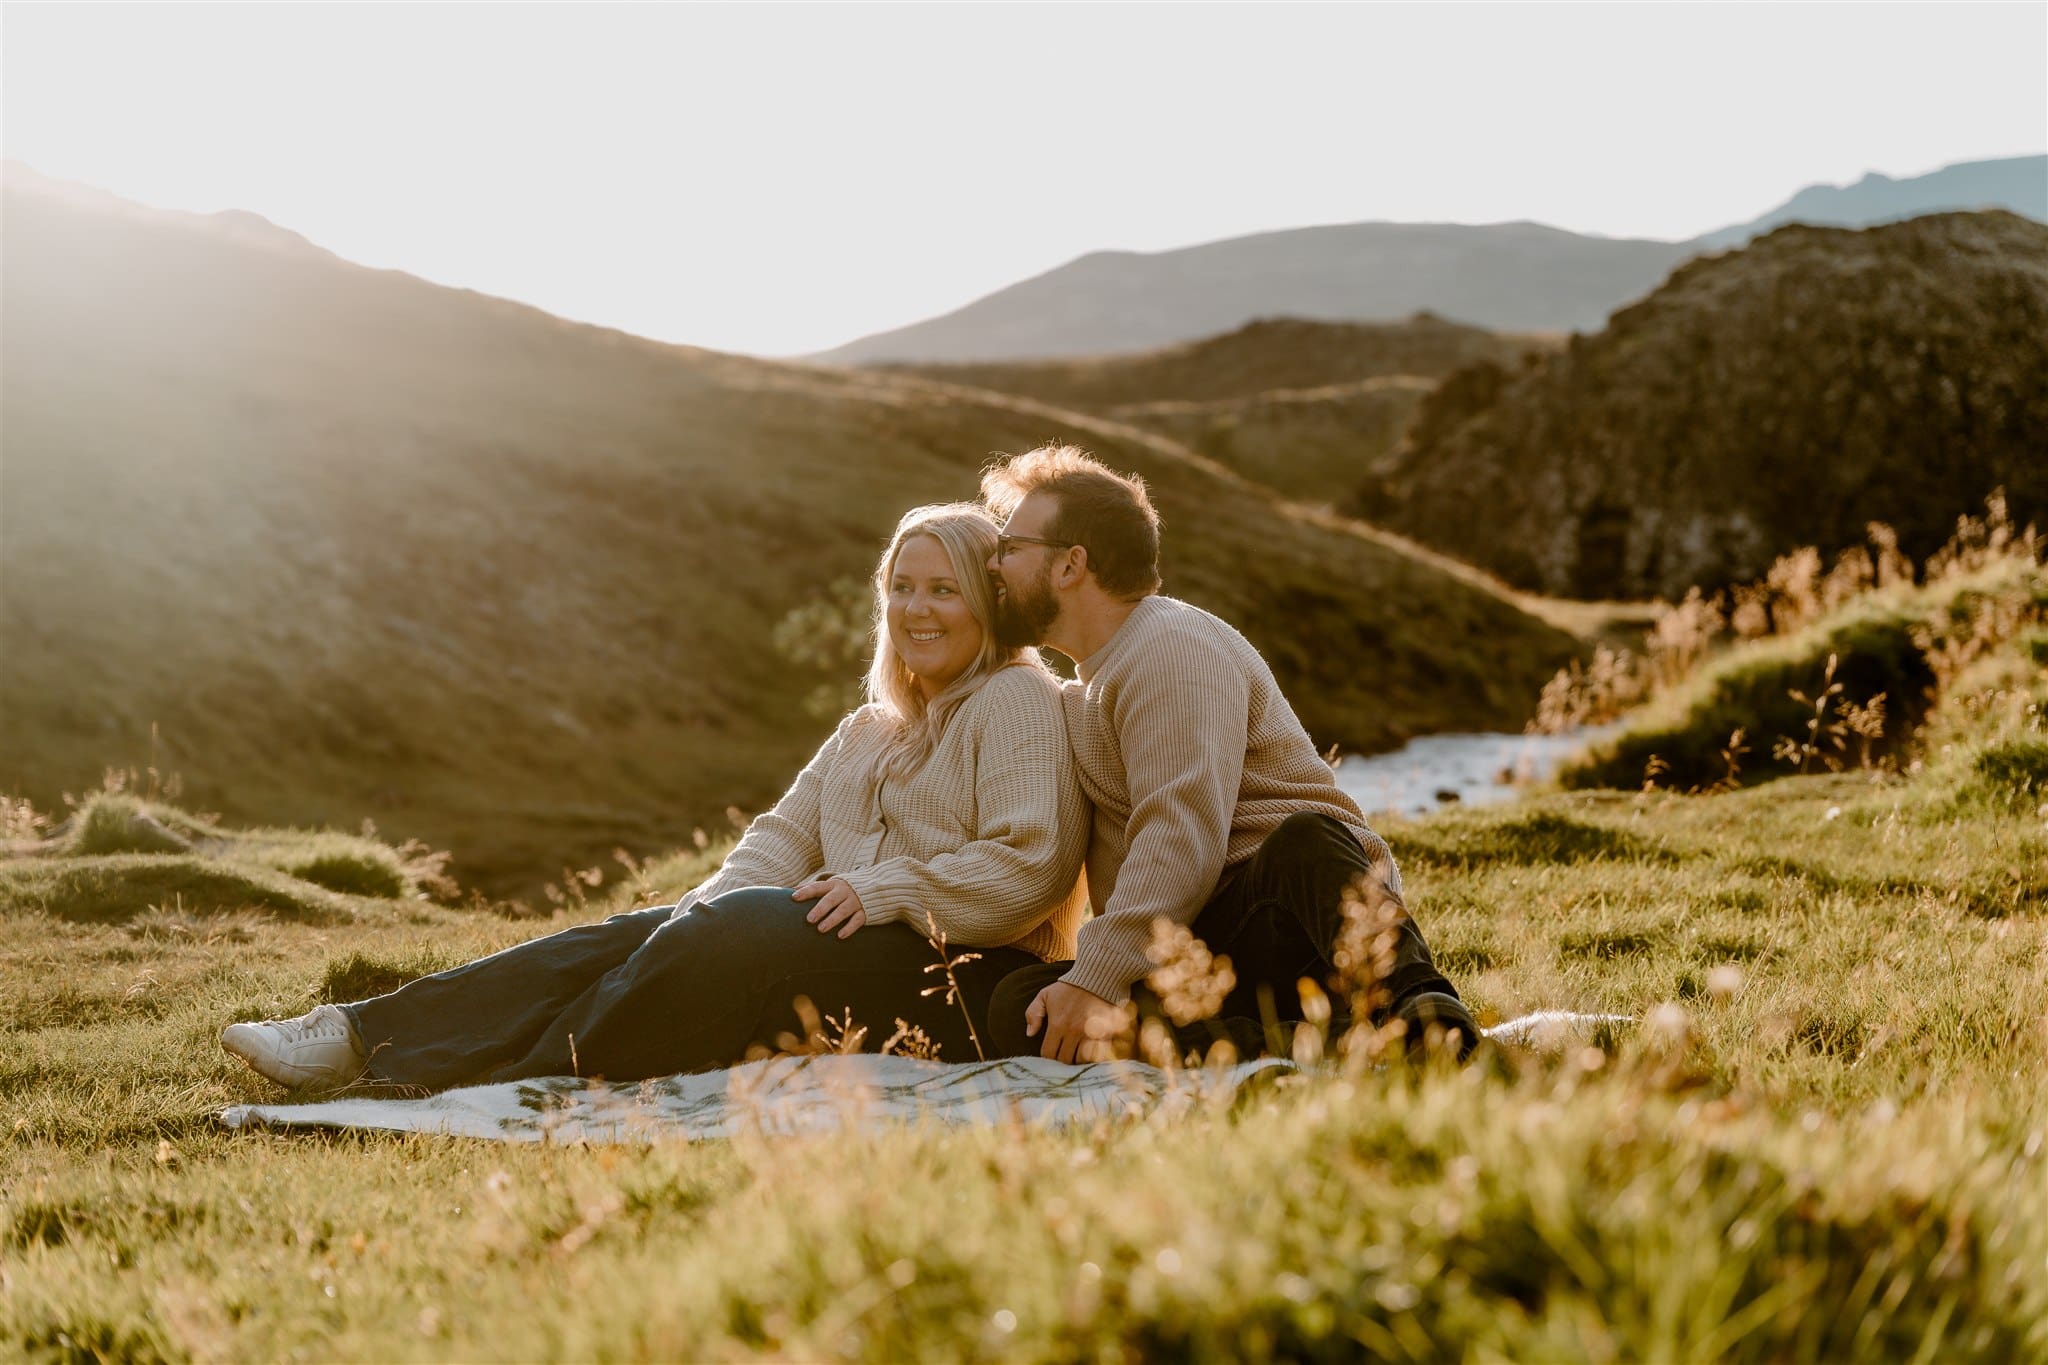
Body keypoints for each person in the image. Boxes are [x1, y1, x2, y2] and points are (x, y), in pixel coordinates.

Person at [222, 503, 1090, 1090]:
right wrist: (697, 916)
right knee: (653, 926)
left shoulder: (1014, 697)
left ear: (987, 603)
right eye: (902, 587)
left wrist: (880, 888)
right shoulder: (870, 727)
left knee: (741, 927)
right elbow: (780, 837)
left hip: (961, 973)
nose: (917, 608)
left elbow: (1031, 863)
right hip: (842, 942)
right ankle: (355, 1033)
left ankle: (499, 1069)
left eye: (944, 589)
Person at [977, 445, 1479, 1065]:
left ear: (1070, 565)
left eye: (1010, 546)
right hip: (1199, 945)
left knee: (1305, 838)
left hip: (1295, 925)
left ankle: (1425, 1015)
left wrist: (1097, 976)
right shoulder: (1088, 687)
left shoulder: (1171, 648)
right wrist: (1082, 980)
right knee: (1023, 1005)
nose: (994, 564)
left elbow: (1181, 832)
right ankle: (1314, 1045)